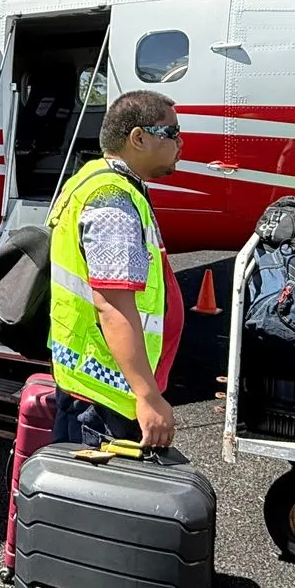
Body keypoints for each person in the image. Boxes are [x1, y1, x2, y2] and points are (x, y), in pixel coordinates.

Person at [47, 90, 187, 451]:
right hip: (105, 399)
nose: (180, 143)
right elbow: (111, 304)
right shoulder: (113, 199)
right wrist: (147, 396)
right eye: (172, 133)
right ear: (138, 138)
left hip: (90, 385)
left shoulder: (95, 176)